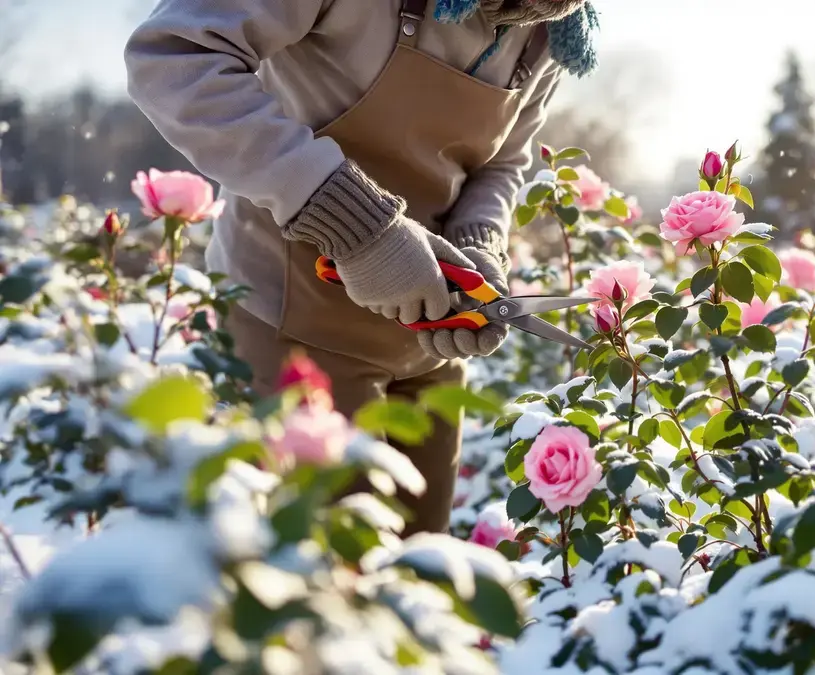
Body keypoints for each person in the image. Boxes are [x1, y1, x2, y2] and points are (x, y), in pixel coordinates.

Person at [124, 0, 599, 534]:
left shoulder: (555, 25)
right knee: (320, 562)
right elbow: (173, 59)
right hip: (289, 320)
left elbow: (502, 162)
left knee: (422, 567)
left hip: (431, 339)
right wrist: (357, 226)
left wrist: (478, 241)